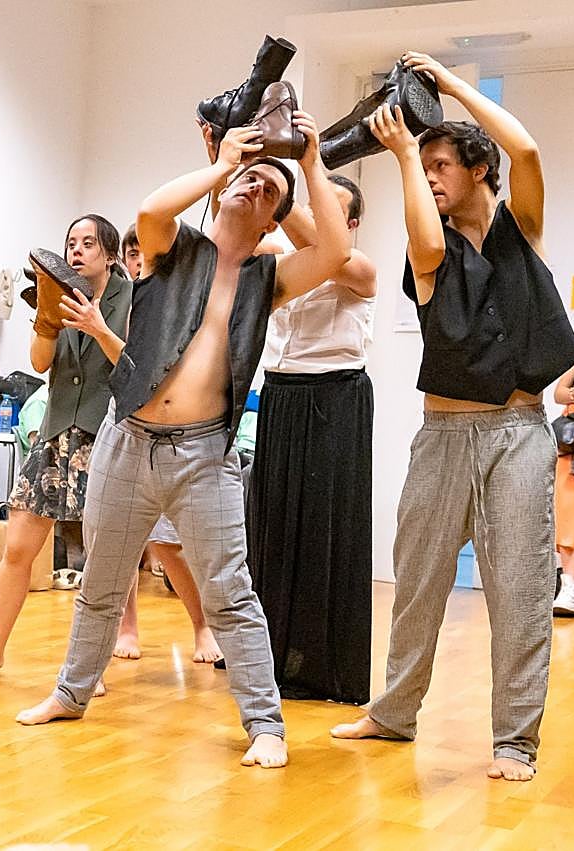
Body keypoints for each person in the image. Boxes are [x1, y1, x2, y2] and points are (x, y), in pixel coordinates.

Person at [16, 112, 351, 774]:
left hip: (205, 456)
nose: (253, 189)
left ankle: (264, 722)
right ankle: (69, 692)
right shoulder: (172, 250)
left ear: (274, 221)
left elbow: (336, 254)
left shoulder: (267, 278)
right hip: (128, 440)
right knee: (101, 583)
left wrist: (306, 165)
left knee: (229, 590)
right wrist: (229, 161)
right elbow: (149, 208)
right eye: (246, 182)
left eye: (267, 193)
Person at [331, 52, 574, 782]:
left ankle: (515, 740)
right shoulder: (426, 244)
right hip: (441, 434)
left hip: (517, 432)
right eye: (425, 165)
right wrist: (406, 151)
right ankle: (393, 711)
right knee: (420, 576)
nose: (431, 176)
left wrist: (451, 88)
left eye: (442, 165)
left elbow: (526, 150)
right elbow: (430, 247)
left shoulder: (519, 230)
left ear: (477, 171)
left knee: (521, 588)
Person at [0, 214, 133, 680]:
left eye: (88, 243)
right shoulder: (55, 294)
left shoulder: (131, 299)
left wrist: (95, 325)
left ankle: (90, 668)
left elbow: (133, 365)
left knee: (101, 559)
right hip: (55, 433)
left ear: (109, 254)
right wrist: (47, 319)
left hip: (106, 433)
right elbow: (39, 362)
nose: (77, 251)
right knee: (17, 547)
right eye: (71, 242)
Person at [246, 174, 378, 705]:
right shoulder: (276, 255)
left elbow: (326, 250)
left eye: (331, 212)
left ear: (349, 225)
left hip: (336, 399)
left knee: (328, 526)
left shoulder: (360, 269)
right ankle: (264, 661)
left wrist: (291, 189)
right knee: (270, 524)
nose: (319, 219)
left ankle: (326, 670)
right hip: (279, 396)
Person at [113, 223, 222, 665]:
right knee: (118, 544)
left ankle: (202, 625)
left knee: (169, 544)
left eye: (144, 253)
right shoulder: (120, 300)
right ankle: (126, 627)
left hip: (173, 433)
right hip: (123, 422)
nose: (138, 261)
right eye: (132, 254)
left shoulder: (179, 298)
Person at [554, 365, 574, 615]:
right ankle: (570, 585)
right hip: (572, 444)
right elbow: (559, 393)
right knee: (569, 515)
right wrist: (573, 395)